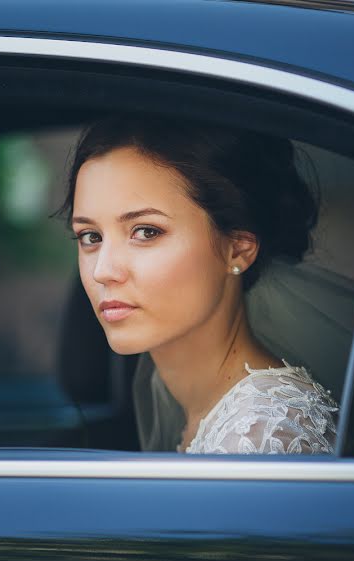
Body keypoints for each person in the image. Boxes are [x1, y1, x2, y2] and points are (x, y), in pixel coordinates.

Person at [57, 116, 338, 454]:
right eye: (91, 236)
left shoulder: (262, 436)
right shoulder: (199, 409)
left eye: (146, 232)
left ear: (238, 249)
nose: (103, 270)